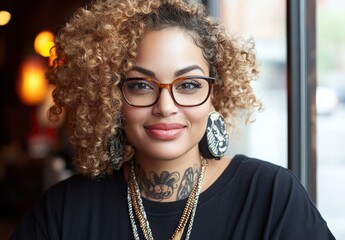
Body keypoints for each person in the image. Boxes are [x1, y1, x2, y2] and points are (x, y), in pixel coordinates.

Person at [11, 0, 335, 239]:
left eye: (189, 85)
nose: (166, 106)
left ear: (215, 96)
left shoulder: (271, 195)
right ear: (110, 97)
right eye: (140, 85)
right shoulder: (65, 209)